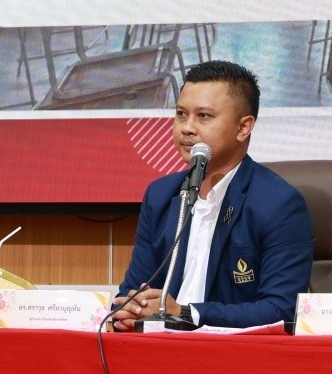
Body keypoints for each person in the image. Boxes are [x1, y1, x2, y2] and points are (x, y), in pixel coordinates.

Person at [113, 61, 313, 330]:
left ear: (243, 127)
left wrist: (186, 313)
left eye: (204, 116)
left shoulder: (278, 204)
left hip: (230, 350)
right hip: (160, 345)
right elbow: (134, 291)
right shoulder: (160, 196)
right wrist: (130, 310)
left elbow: (281, 309)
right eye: (181, 114)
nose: (187, 128)